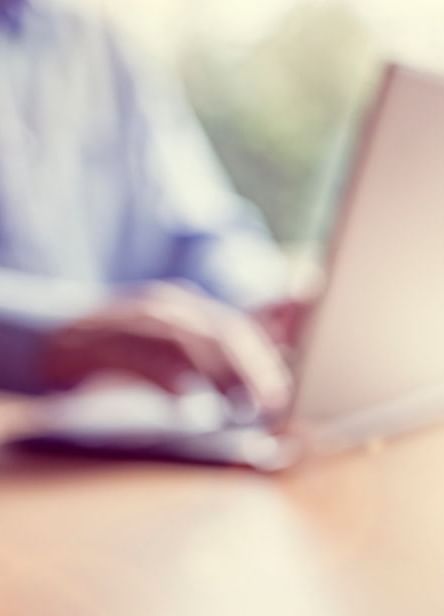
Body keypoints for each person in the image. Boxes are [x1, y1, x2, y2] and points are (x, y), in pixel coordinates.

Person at [0, 0, 311, 418]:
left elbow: (197, 227)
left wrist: (262, 300)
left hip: (101, 439)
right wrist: (53, 334)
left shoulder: (100, 47)